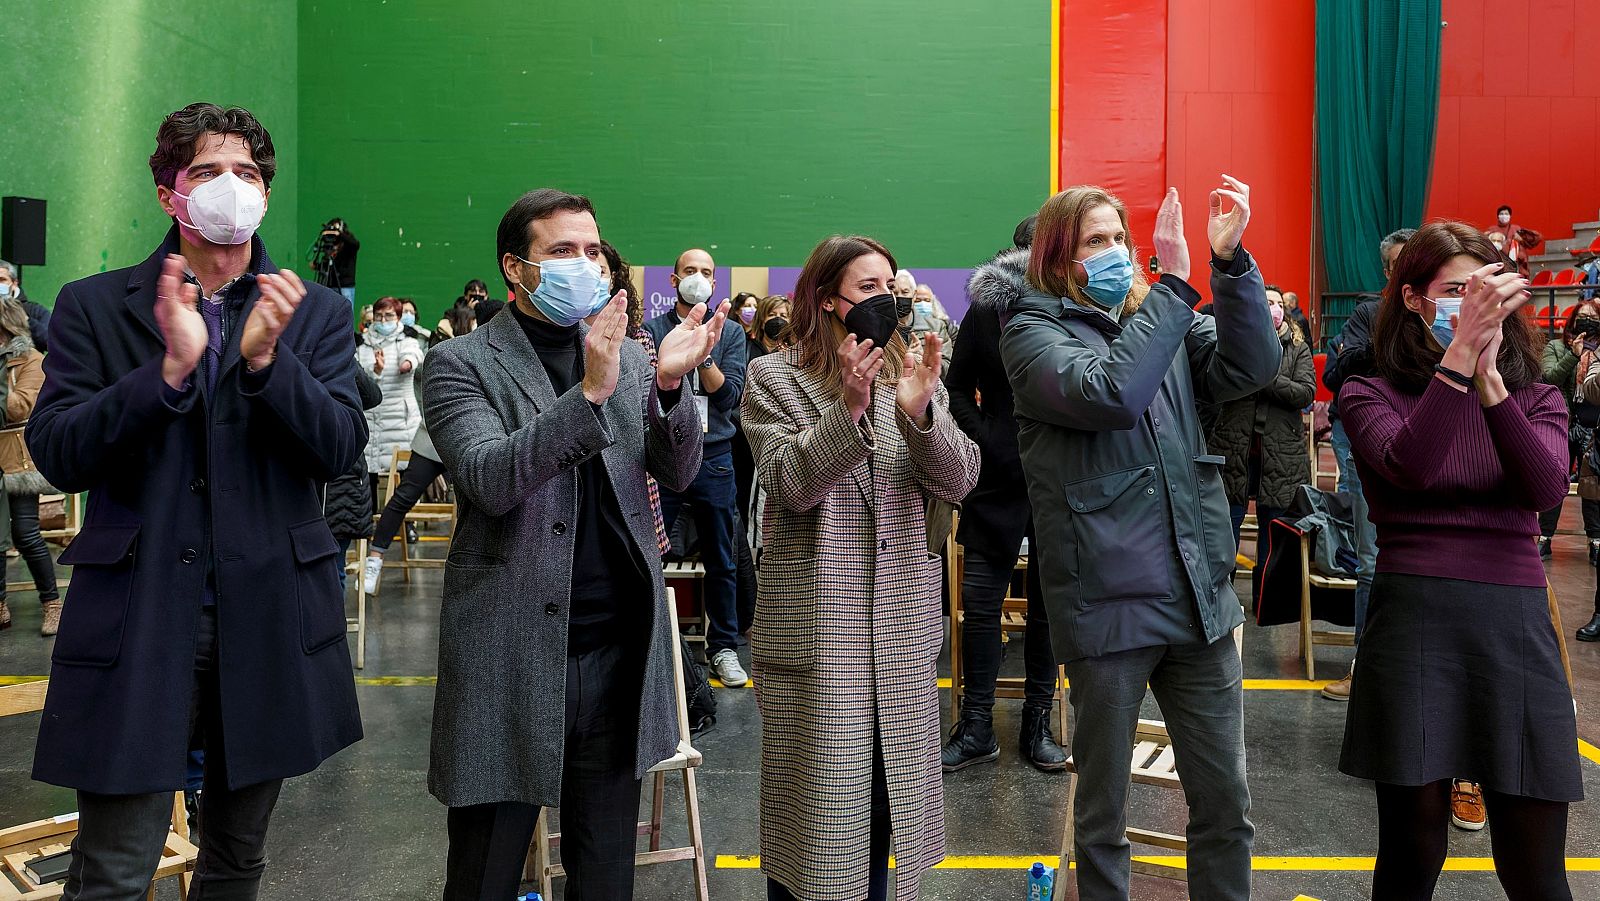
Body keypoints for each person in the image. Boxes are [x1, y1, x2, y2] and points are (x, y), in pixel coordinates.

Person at [25, 101, 364, 899]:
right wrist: (166, 374)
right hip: (139, 612)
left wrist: (267, 365)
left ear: (267, 194)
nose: (230, 187)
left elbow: (341, 445)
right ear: (168, 194)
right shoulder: (96, 304)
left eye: (246, 173)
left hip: (270, 611)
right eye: (207, 171)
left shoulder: (309, 310)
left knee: (237, 858)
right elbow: (59, 450)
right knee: (112, 867)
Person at [424, 188, 720, 900]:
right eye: (562, 251)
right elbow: (491, 478)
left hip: (616, 654)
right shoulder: (460, 363)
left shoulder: (632, 357)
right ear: (515, 268)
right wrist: (586, 393)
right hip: (509, 651)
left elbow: (677, 472)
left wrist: (673, 386)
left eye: (592, 250)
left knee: (603, 870)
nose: (584, 264)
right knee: (485, 870)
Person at [1000, 177, 1277, 901]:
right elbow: (1112, 394)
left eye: (1121, 238)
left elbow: (1254, 366)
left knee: (1225, 804)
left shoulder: (1160, 316)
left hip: (1197, 595)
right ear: (1059, 257)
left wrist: (1231, 265)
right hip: (1109, 604)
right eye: (1098, 240)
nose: (1118, 252)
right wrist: (1176, 287)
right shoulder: (1032, 335)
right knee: (1104, 816)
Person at [1338, 221, 1580, 900]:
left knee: (1536, 867)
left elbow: (1541, 490)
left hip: (1515, 625)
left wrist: (1492, 381)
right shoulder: (1369, 392)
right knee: (1413, 852)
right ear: (1413, 298)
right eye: (1453, 292)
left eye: (1482, 291)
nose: (1469, 306)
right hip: (1415, 622)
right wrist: (1458, 362)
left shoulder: (1539, 396)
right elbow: (1410, 465)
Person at [742, 234, 980, 901]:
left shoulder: (911, 370)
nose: (889, 298)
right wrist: (847, 405)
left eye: (892, 284)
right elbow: (790, 484)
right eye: (870, 287)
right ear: (827, 299)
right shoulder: (775, 378)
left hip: (899, 636)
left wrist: (921, 413)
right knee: (813, 832)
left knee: (881, 817)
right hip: (820, 636)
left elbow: (961, 479)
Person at [942, 214, 1067, 773]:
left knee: (1048, 611)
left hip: (1061, 476)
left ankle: (1037, 723)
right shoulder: (990, 309)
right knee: (982, 606)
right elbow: (955, 385)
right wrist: (986, 436)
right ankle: (976, 726)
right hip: (995, 478)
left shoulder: (1080, 308)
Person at [643, 248, 749, 687]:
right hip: (662, 457)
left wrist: (703, 355)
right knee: (650, 553)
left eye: (706, 272)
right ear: (673, 281)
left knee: (722, 558)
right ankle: (654, 646)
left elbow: (730, 400)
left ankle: (722, 646)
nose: (698, 278)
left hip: (714, 457)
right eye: (690, 271)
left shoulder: (731, 334)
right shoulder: (650, 331)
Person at [1319, 227, 1412, 703]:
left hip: (1424, 450)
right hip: (1366, 448)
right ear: (1387, 271)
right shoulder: (1370, 314)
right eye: (1398, 265)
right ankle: (1364, 666)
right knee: (1372, 560)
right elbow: (1337, 373)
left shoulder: (1447, 320)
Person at [1211, 284, 1316, 541]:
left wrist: (1263, 377)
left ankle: (1265, 584)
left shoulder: (1297, 347)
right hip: (1234, 448)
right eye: (1269, 303)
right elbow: (1218, 384)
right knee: (1224, 535)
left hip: (1281, 453)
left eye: (1280, 304)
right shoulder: (1234, 342)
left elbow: (1304, 393)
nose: (1276, 309)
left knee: (1274, 538)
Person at [0, 296, 57, 635]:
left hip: (18, 460)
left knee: (25, 533)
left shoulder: (31, 360)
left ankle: (52, 603)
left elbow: (21, 407)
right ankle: (0, 604)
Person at [1539, 300, 1600, 562]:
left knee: (1591, 485)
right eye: (1582, 317)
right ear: (1573, 320)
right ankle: (1545, 538)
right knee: (1556, 479)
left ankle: (1595, 541)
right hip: (1563, 423)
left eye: (1593, 317)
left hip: (1591, 426)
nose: (1587, 321)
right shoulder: (1556, 346)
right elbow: (1548, 378)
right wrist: (1572, 355)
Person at [357, 296, 424, 509]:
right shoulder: (362, 344)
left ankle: (407, 523)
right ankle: (371, 517)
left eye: (388, 315)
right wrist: (374, 370)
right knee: (370, 469)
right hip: (371, 417)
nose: (383, 320)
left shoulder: (407, 339)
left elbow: (413, 357)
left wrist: (406, 365)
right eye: (379, 316)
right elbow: (356, 374)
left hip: (400, 419)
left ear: (398, 317)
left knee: (405, 471)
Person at [323, 365, 382, 593]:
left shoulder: (340, 358)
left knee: (333, 571)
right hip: (316, 487)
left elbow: (373, 395)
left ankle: (333, 628)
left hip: (342, 487)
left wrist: (346, 356)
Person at [0, 260, 50, 351]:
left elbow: (49, 342)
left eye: (2, 280)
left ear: (14, 283)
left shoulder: (34, 311)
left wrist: (26, 320)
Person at [312, 217, 359, 305]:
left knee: (345, 311)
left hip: (345, 285)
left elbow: (355, 244)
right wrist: (317, 266)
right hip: (330, 285)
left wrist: (340, 233)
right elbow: (328, 264)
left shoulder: (348, 245)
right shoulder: (329, 246)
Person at [911, 284, 957, 374]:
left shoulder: (945, 325)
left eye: (927, 300)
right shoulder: (907, 326)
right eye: (918, 301)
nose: (923, 304)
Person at [752, 294, 792, 359]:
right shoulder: (746, 347)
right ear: (761, 321)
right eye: (772, 315)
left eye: (783, 316)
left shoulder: (794, 351)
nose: (778, 319)